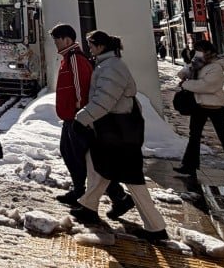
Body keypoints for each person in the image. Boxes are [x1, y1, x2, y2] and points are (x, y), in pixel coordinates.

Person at [70, 30, 168, 243]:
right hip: (115, 130)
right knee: (100, 166)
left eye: (91, 45)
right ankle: (88, 205)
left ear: (101, 46)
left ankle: (155, 226)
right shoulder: (110, 65)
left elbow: (104, 99)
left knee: (131, 177)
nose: (90, 49)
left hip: (118, 131)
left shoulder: (111, 68)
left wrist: (82, 119)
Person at [51, 24, 130, 217]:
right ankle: (82, 191)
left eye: (57, 40)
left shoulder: (75, 59)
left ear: (67, 40)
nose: (55, 44)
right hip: (71, 117)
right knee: (70, 153)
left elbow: (81, 89)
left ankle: (116, 197)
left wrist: (80, 113)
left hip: (78, 117)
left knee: (88, 160)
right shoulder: (67, 59)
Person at [173, 40, 224, 185]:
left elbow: (207, 86)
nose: (196, 52)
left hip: (214, 106)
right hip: (199, 105)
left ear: (208, 51)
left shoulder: (216, 67)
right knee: (194, 136)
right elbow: (182, 73)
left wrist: (186, 84)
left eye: (199, 50)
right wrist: (188, 70)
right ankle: (188, 166)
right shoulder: (199, 63)